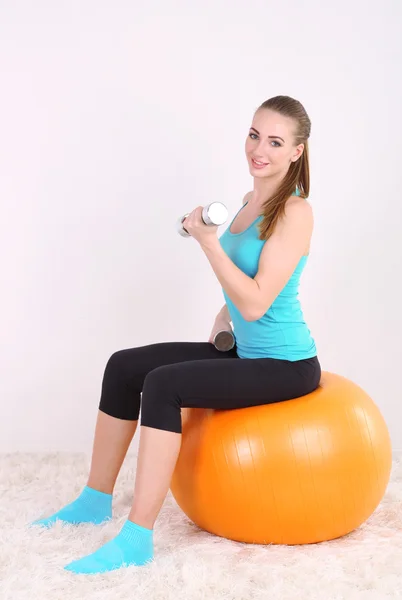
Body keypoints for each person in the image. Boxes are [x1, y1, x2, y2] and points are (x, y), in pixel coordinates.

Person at [30, 95, 322, 575]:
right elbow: (247, 290)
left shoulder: (295, 212)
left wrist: (209, 245)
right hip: (246, 350)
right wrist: (224, 317)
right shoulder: (250, 202)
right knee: (125, 365)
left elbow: (257, 299)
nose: (259, 149)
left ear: (296, 151)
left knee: (164, 385)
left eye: (275, 141)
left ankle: (137, 538)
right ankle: (93, 499)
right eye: (254, 135)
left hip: (286, 365)